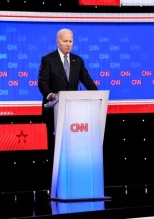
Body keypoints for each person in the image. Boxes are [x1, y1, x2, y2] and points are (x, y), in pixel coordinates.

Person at [37, 28, 97, 188]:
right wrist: (50, 94)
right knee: (55, 147)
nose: (68, 44)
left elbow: (87, 80)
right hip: (54, 110)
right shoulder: (47, 59)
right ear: (58, 41)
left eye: (71, 41)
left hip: (75, 113)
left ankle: (74, 181)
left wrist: (97, 96)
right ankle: (54, 183)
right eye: (65, 41)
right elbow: (42, 82)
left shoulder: (78, 60)